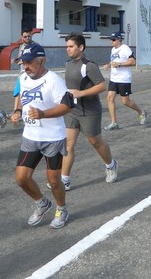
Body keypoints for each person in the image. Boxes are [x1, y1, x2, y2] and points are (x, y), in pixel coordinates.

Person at [9, 43, 73, 229]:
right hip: (30, 136)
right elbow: (21, 97)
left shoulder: (54, 80)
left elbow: (67, 106)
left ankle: (61, 209)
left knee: (54, 180)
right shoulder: (24, 78)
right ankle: (42, 203)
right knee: (21, 178)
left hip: (52, 137)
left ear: (42, 60)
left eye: (29, 63)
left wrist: (44, 114)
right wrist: (17, 110)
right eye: (23, 63)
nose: (25, 66)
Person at [51, 34, 118, 191]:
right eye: (67, 46)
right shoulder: (68, 64)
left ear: (80, 47)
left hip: (90, 111)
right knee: (68, 144)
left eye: (71, 46)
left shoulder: (89, 65)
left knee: (95, 142)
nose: (67, 49)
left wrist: (80, 93)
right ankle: (65, 179)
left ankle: (111, 164)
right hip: (72, 111)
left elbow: (102, 86)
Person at [102, 32, 147, 130]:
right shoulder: (113, 49)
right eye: (111, 39)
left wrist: (119, 64)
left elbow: (133, 61)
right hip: (113, 78)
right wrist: (108, 65)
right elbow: (113, 61)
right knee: (110, 98)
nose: (111, 41)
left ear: (119, 40)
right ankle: (114, 123)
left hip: (124, 79)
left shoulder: (125, 48)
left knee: (125, 101)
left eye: (113, 40)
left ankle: (141, 112)